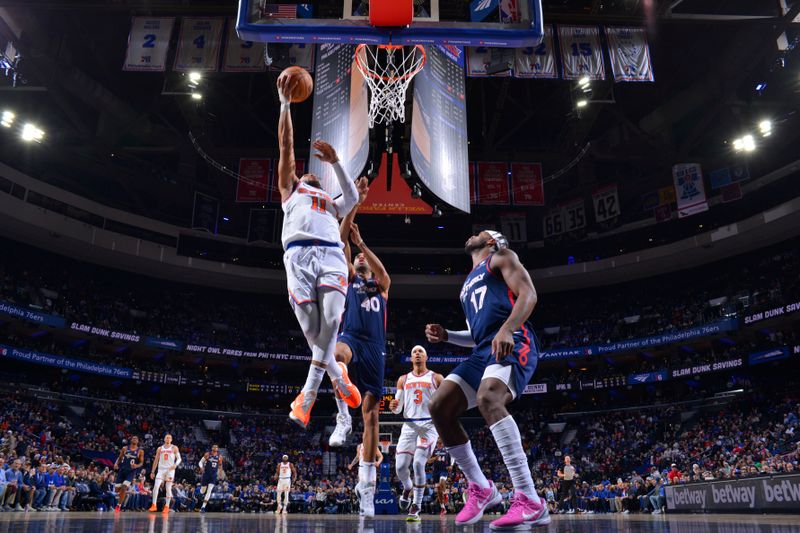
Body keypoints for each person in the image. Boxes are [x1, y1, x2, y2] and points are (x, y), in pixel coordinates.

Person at [425, 230, 550, 529]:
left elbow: (529, 294)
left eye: (481, 232)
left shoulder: (502, 258)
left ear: (492, 241)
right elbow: (475, 335)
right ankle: (481, 487)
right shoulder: (466, 285)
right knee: (439, 405)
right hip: (484, 347)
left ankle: (530, 498)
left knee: (489, 398)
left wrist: (508, 328)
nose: (472, 234)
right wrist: (447, 336)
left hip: (514, 337)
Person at [276, 72, 364, 428]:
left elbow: (354, 198)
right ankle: (339, 380)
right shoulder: (291, 191)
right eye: (307, 173)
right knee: (315, 334)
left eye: (317, 174)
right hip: (297, 258)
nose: (312, 175)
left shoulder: (330, 201)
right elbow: (285, 147)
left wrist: (337, 162)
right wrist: (285, 105)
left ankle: (308, 396)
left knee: (330, 323)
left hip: (329, 255)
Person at [327, 186, 390, 519]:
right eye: (357, 258)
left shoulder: (381, 286)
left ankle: (367, 488)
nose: (360, 259)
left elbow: (383, 274)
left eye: (362, 258)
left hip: (375, 349)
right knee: (333, 356)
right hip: (351, 337)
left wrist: (363, 243)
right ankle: (341, 416)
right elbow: (340, 243)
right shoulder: (350, 279)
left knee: (373, 418)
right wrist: (352, 213)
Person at [389, 345, 443, 522]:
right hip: (409, 425)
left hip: (429, 425)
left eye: (421, 351)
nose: (417, 354)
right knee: (400, 467)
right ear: (411, 358)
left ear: (426, 357)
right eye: (414, 352)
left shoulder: (436, 378)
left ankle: (416, 506)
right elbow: (398, 408)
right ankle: (407, 487)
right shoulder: (403, 379)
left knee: (419, 464)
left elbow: (445, 402)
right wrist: (394, 407)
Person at [148, 433, 182, 513]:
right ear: (164, 439)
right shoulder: (160, 448)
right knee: (156, 486)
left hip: (170, 470)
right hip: (161, 470)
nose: (168, 439)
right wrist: (152, 471)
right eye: (167, 437)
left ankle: (167, 506)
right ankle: (154, 505)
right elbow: (156, 460)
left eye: (170, 438)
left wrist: (175, 465)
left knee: (168, 488)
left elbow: (179, 458)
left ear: (171, 440)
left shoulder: (174, 447)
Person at [113, 436, 144, 513]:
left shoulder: (140, 451)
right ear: (131, 440)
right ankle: (123, 496)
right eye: (133, 438)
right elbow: (120, 458)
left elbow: (141, 463)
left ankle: (118, 505)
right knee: (117, 490)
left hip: (131, 472)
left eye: (136, 438)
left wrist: (136, 466)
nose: (135, 439)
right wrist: (116, 464)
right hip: (122, 470)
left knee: (124, 487)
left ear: (138, 441)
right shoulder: (125, 448)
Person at [198, 445, 224, 512]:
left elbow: (220, 465)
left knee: (209, 490)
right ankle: (200, 494)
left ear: (218, 449)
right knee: (203, 490)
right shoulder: (207, 454)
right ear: (212, 448)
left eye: (216, 447)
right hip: (206, 474)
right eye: (214, 447)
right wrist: (201, 467)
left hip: (213, 475)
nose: (215, 448)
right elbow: (200, 462)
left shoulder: (220, 457)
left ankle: (203, 507)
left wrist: (220, 473)